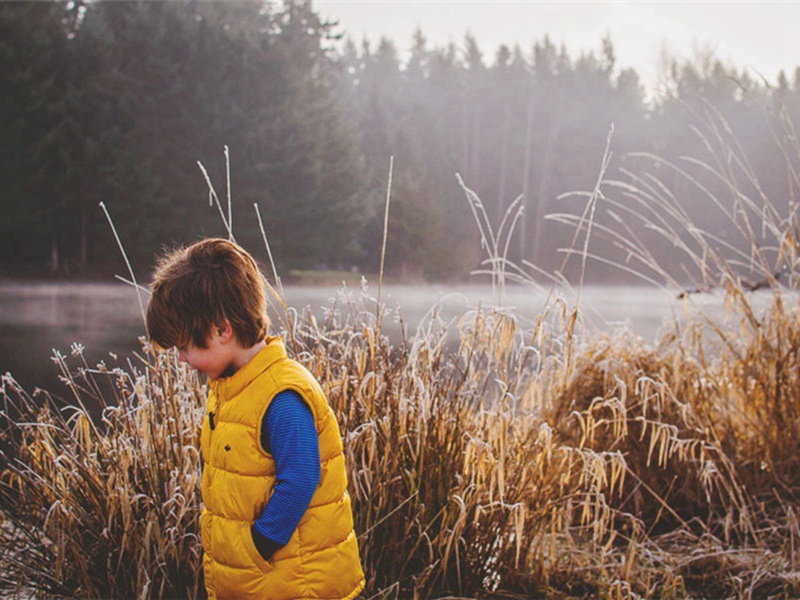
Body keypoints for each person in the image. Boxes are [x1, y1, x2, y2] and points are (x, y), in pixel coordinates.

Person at [145, 238, 365, 600]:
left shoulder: (281, 397)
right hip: (259, 583)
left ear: (221, 330)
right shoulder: (233, 388)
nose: (181, 359)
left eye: (184, 347)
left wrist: (257, 545)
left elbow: (302, 477)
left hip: (294, 585)